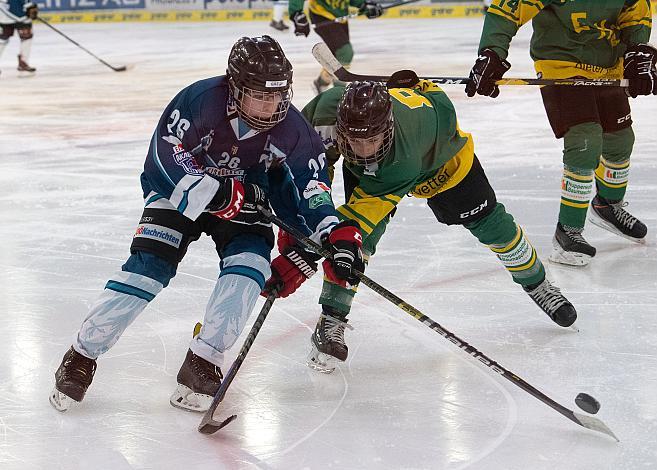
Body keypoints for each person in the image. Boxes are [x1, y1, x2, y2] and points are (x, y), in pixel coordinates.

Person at [49, 35, 363, 413]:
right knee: (147, 271)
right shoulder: (200, 100)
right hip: (177, 193)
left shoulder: (293, 129)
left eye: (278, 97)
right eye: (260, 96)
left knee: (249, 269)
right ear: (235, 87)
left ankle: (203, 360)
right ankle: (81, 354)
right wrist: (213, 192)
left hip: (247, 200)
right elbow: (164, 154)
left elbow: (312, 185)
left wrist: (335, 233)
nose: (271, 106)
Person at [300, 77, 578, 373]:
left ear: (389, 129)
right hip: (384, 170)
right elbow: (301, 157)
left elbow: (439, 101)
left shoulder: (404, 153)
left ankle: (538, 283)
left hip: (443, 164)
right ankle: (332, 318)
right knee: (358, 241)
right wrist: (315, 211)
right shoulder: (326, 111)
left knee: (493, 226)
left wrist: (324, 236)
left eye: (371, 140)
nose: (363, 150)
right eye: (354, 141)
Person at [466, 0, 655, 266]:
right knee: (584, 140)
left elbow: (635, 13)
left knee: (621, 140)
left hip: (608, 63)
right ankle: (568, 232)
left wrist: (638, 49)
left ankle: (607, 206)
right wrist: (492, 53)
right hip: (562, 64)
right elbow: (508, 11)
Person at [288, 0, 383, 94]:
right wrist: (297, 12)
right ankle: (339, 92)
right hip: (321, 14)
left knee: (337, 55)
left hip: (340, 16)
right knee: (345, 52)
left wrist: (364, 6)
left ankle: (322, 82)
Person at [0, 0, 38, 75]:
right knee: (2, 40)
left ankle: (23, 62)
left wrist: (29, 6)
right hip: (5, 14)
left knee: (27, 36)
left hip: (19, 13)